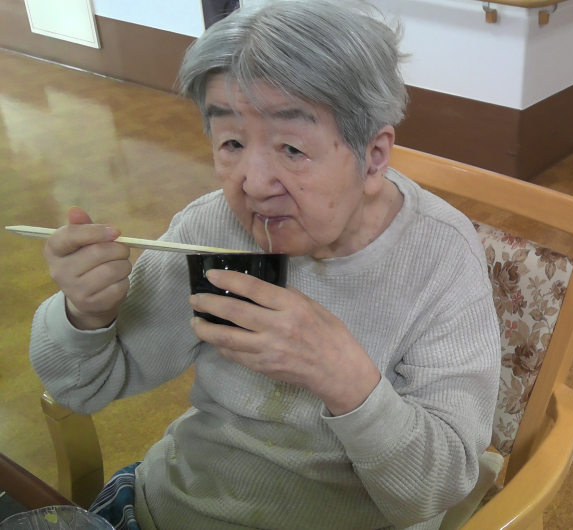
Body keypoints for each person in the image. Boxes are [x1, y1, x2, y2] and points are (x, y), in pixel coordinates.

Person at [29, 1, 501, 529]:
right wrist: (86, 315)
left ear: (373, 156)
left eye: (292, 148)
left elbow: (433, 491)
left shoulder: (440, 256)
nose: (253, 184)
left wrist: (342, 374)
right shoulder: (213, 228)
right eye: (231, 142)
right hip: (167, 507)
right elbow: (84, 386)